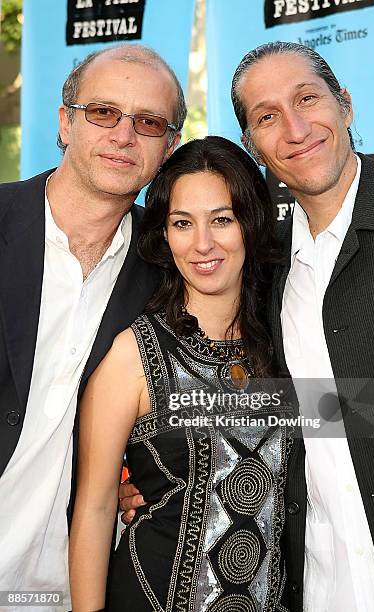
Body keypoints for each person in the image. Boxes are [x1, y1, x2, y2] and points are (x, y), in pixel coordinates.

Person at [69, 136, 293, 611]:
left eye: (222, 220)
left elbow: (358, 425)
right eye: (183, 224)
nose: (203, 244)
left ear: (251, 225)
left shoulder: (283, 344)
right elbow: (93, 510)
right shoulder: (134, 354)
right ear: (164, 235)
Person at [0, 43, 185, 611]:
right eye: (104, 112)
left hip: (64, 589)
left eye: (149, 122)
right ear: (64, 122)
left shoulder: (169, 277)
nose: (124, 135)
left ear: (170, 146)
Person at [230, 41, 374, 612]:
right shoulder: (264, 265)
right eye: (267, 116)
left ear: (346, 105)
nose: (296, 127)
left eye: (308, 98)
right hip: (320, 582)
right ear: (250, 145)